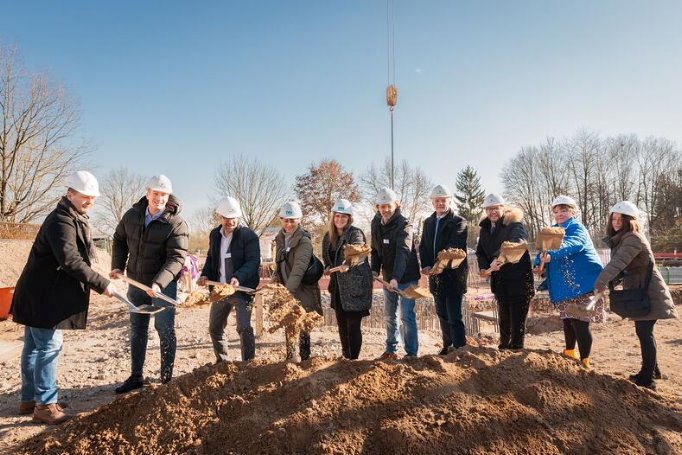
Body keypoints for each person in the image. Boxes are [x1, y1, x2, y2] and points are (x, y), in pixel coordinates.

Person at [11, 171, 117, 424]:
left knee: (34, 347)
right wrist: (102, 284)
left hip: (40, 292)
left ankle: (30, 398)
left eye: (92, 197)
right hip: (44, 296)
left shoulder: (72, 217)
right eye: (85, 196)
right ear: (70, 194)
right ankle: (45, 405)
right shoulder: (61, 220)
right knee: (48, 347)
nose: (90, 201)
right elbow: (70, 261)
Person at [111, 174, 189, 393]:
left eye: (163, 194)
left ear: (168, 195)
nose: (159, 198)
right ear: (148, 194)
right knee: (137, 328)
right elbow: (118, 239)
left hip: (163, 286)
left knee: (164, 328)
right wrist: (117, 264)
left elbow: (177, 258)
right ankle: (136, 376)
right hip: (136, 281)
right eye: (155, 193)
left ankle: (166, 379)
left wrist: (159, 283)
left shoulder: (176, 223)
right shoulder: (132, 215)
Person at [593, 201, 678, 390]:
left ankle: (648, 379)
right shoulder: (624, 239)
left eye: (620, 219)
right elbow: (622, 267)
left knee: (644, 332)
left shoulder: (632, 238)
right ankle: (652, 370)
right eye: (614, 219)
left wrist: (601, 282)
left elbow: (618, 264)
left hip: (649, 291)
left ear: (630, 221)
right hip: (642, 289)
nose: (616, 222)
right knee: (644, 332)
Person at [534, 195, 604, 368]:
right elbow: (542, 253)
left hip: (582, 284)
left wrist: (551, 255)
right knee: (567, 321)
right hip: (564, 287)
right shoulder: (551, 231)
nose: (559, 214)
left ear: (573, 211)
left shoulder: (577, 228)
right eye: (556, 211)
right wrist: (538, 264)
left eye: (564, 210)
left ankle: (585, 360)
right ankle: (569, 352)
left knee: (580, 323)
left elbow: (574, 244)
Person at [197, 197, 260, 362]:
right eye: (227, 218)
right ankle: (223, 362)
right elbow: (211, 259)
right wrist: (205, 275)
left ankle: (248, 365)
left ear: (238, 217)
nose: (231, 222)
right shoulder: (214, 235)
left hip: (241, 290)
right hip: (220, 289)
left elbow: (253, 261)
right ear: (220, 217)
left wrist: (238, 277)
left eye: (234, 218)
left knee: (244, 327)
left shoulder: (248, 236)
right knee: (215, 328)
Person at [476, 193, 534, 350]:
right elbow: (480, 251)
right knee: (504, 320)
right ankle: (503, 348)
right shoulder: (485, 229)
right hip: (500, 282)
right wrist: (483, 266)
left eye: (496, 208)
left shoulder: (514, 225)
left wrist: (498, 258)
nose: (492, 212)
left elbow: (517, 243)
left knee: (517, 321)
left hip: (519, 281)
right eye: (489, 209)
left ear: (503, 208)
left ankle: (515, 350)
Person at [371, 188, 421, 359]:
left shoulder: (405, 224)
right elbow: (375, 250)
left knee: (406, 315)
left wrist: (395, 278)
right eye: (382, 206)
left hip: (406, 277)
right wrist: (374, 270)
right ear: (378, 207)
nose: (385, 210)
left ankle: (411, 353)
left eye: (388, 206)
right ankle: (391, 349)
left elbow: (403, 252)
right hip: (388, 277)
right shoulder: (376, 223)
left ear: (396, 205)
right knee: (389, 315)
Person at [419, 185, 468, 354]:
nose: (440, 203)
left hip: (453, 276)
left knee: (454, 315)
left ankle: (460, 347)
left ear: (449, 201)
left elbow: (453, 247)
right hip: (436, 277)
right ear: (433, 203)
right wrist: (426, 264)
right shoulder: (428, 222)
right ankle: (448, 345)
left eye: (443, 200)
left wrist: (438, 265)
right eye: (437, 201)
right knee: (441, 313)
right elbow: (423, 246)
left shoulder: (458, 222)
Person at [322, 199, 373, 359]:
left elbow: (358, 251)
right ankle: (346, 357)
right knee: (342, 324)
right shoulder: (328, 236)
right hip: (338, 286)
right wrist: (327, 267)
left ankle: (354, 360)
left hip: (354, 286)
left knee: (353, 325)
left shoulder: (355, 233)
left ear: (349, 218)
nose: (340, 219)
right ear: (333, 217)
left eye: (344, 216)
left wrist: (347, 264)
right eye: (337, 216)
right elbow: (327, 258)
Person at [273, 201, 322, 362]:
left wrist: (286, 293)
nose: (289, 224)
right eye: (286, 220)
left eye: (292, 220)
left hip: (303, 289)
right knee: (289, 324)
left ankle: (305, 361)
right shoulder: (280, 239)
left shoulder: (304, 242)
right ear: (281, 220)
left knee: (303, 325)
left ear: (299, 220)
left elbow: (298, 270)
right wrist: (274, 281)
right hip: (288, 288)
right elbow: (279, 264)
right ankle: (290, 360)